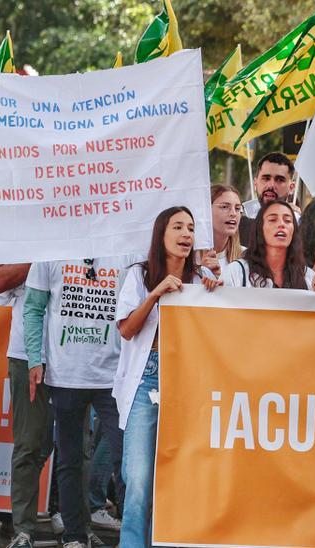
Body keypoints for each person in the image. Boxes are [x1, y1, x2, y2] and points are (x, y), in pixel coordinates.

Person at [24, 248, 136, 548]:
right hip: (65, 374)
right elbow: (33, 308)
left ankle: (133, 535)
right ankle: (75, 536)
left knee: (127, 459)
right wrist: (35, 359)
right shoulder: (52, 248)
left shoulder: (124, 247)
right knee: (70, 459)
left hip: (114, 376)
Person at [113, 206, 203, 548]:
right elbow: (127, 330)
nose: (185, 235)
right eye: (177, 227)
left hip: (186, 383)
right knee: (137, 478)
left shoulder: (202, 278)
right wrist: (155, 293)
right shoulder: (139, 275)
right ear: (161, 234)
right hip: (146, 379)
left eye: (191, 228)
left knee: (175, 478)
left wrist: (215, 290)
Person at [0, 259, 47, 548]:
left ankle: (77, 527)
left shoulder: (87, 228)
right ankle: (23, 529)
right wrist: (44, 258)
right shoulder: (25, 229)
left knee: (77, 448)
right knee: (28, 444)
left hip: (78, 356)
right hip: (26, 355)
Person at [218, 200, 315, 289]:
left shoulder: (309, 277)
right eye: (273, 219)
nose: (281, 224)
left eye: (288, 220)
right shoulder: (236, 272)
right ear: (260, 229)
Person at [241, 152, 297, 222]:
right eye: (266, 178)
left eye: (279, 180)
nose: (271, 185)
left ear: (291, 188)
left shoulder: (300, 225)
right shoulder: (238, 218)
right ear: (255, 183)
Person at [202, 185, 244, 277]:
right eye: (225, 207)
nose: (233, 213)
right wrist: (200, 274)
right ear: (206, 210)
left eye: (237, 208)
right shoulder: (186, 256)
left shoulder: (248, 258)